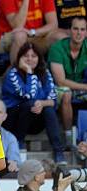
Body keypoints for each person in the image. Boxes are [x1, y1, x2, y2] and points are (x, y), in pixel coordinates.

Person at [2, 42, 65, 163]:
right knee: (30, 104)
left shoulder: (45, 74)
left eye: (34, 56)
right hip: (13, 122)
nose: (30, 59)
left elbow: (53, 100)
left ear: (39, 58)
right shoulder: (13, 74)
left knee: (48, 109)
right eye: (26, 55)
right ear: (20, 57)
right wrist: (29, 72)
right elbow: (28, 95)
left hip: (35, 120)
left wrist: (42, 104)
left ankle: (58, 150)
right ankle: (18, 142)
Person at [49, 16, 87, 145]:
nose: (79, 33)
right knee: (66, 93)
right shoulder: (57, 48)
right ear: (69, 31)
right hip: (56, 89)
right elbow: (60, 81)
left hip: (80, 86)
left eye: (82, 29)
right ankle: (68, 136)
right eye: (75, 29)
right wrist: (85, 87)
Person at [0, 0, 68, 64]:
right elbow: (18, 26)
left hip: (34, 36)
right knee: (20, 35)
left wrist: (33, 32)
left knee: (60, 37)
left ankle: (58, 76)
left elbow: (53, 24)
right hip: (8, 37)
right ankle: (16, 74)